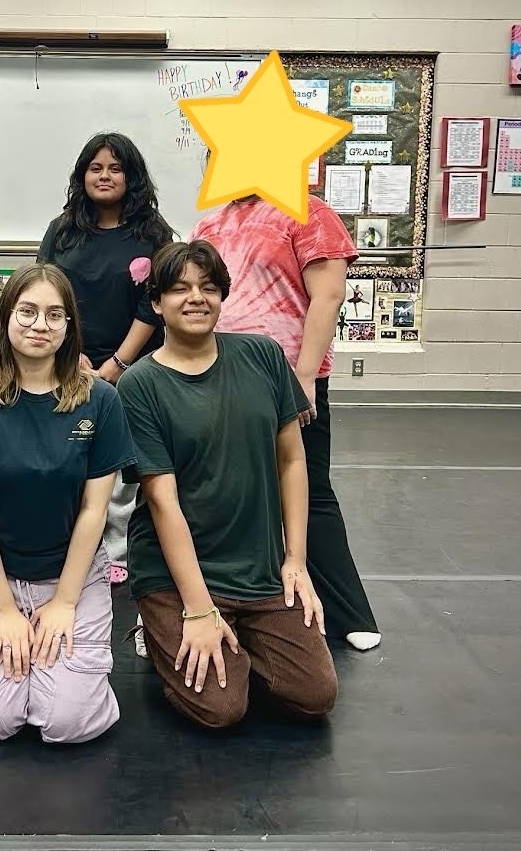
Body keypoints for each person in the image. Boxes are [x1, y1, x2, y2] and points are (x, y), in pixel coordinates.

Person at [116, 241, 338, 729]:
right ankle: (159, 629)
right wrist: (196, 609)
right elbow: (162, 501)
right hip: (179, 574)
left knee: (314, 694)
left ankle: (236, 635)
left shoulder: (261, 355)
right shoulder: (140, 385)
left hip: (257, 568)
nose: (196, 298)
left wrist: (295, 561)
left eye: (209, 287)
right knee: (220, 709)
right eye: (179, 289)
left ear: (222, 296)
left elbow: (291, 460)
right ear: (156, 303)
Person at [0, 263, 134, 743]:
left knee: (67, 723)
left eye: (54, 315)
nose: (39, 325)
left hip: (71, 570)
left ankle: (60, 678)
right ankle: (22, 670)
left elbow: (95, 512)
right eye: (27, 311)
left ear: (69, 327)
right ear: (5, 317)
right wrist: (5, 611)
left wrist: (66, 601)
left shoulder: (100, 401)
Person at [190, 191, 380, 650]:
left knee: (309, 489)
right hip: (221, 376)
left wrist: (305, 375)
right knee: (222, 489)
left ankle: (349, 611)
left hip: (286, 376)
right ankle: (225, 600)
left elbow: (330, 293)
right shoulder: (212, 223)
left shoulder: (308, 211)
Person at [37, 132, 174, 584]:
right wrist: (70, 354)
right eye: (96, 168)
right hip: (66, 360)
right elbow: (45, 290)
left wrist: (117, 364)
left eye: (115, 168)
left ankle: (116, 552)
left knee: (120, 466)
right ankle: (67, 545)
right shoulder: (62, 229)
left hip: (132, 366)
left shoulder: (153, 233)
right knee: (68, 456)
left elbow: (151, 304)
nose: (105, 176)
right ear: (82, 176)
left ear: (131, 177)